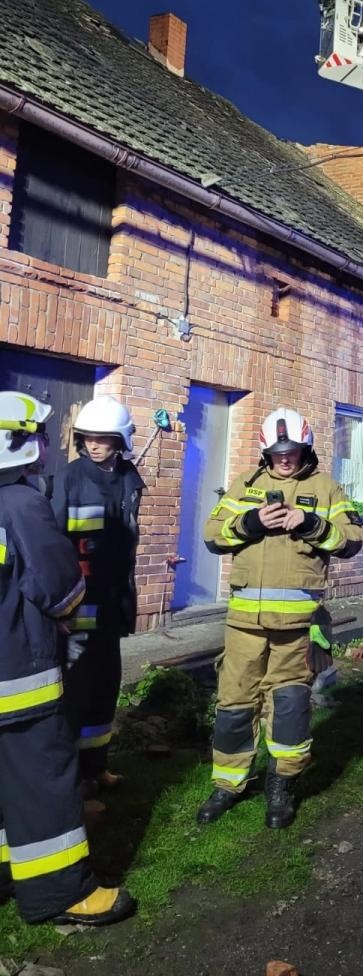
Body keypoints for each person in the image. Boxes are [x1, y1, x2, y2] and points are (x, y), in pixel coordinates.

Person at [0, 391, 134, 927]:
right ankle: (60, 893)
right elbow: (59, 585)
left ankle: (9, 870)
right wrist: (69, 613)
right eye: (35, 436)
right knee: (43, 776)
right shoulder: (21, 504)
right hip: (17, 675)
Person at [197, 408, 363, 830]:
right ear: (265, 451)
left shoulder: (325, 488)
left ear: (305, 448)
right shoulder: (246, 484)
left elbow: (352, 540)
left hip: (296, 626)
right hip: (244, 624)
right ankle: (228, 785)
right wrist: (250, 522)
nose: (284, 458)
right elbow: (212, 534)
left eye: (291, 450)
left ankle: (281, 786)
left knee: (288, 705)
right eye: (276, 451)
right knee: (234, 704)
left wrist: (310, 523)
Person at [51, 396, 145, 795]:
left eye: (103, 438)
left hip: (111, 604)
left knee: (105, 687)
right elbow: (54, 547)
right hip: (79, 607)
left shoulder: (128, 478)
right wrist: (60, 607)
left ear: (119, 441)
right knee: (75, 693)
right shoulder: (69, 479)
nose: (93, 444)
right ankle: (69, 779)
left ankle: (96, 768)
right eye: (88, 437)